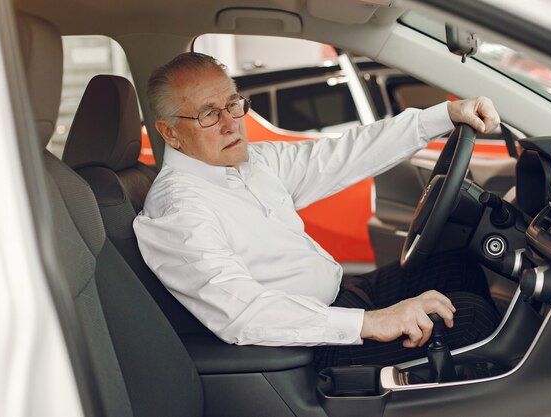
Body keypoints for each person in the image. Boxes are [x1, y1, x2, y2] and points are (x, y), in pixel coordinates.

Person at [134, 52, 501, 368]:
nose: (232, 123)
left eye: (232, 104)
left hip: (346, 296)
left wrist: (444, 115)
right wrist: (370, 323)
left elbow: (343, 155)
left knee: (457, 264)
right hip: (311, 347)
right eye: (209, 115)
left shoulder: (253, 162)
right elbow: (242, 313)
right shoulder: (178, 211)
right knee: (467, 319)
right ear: (169, 133)